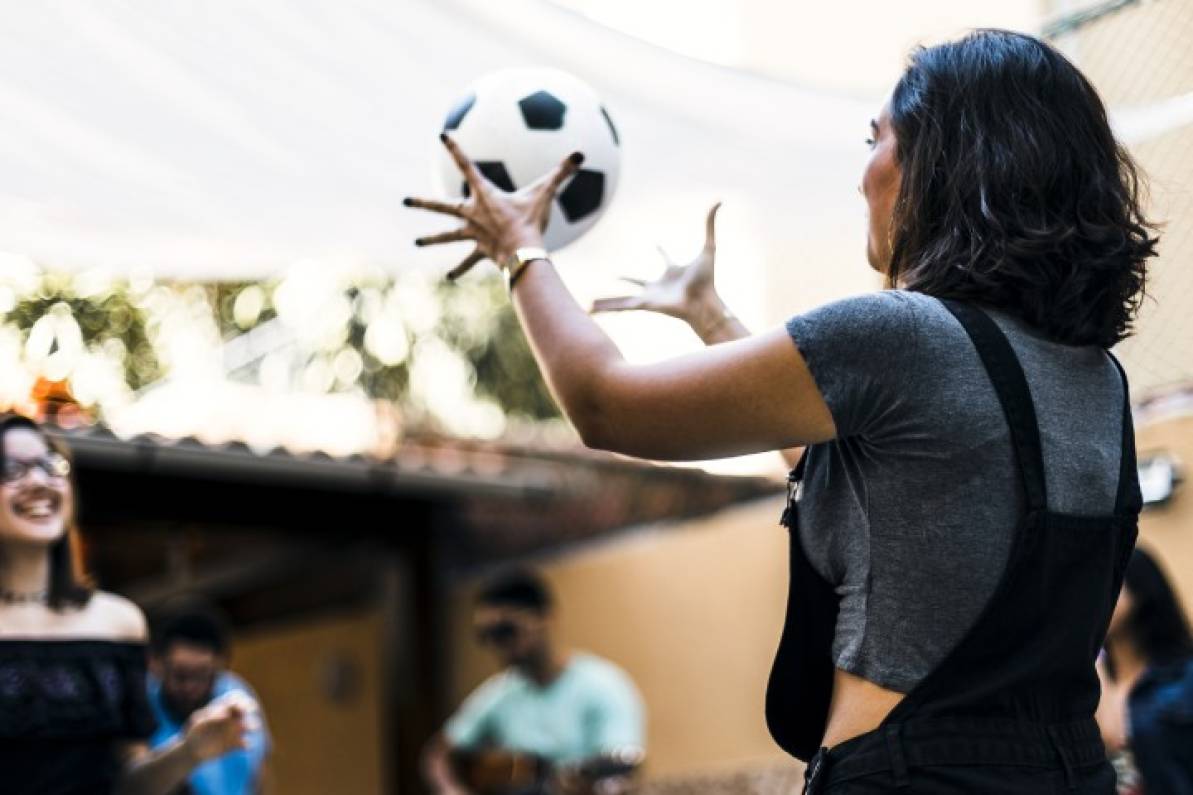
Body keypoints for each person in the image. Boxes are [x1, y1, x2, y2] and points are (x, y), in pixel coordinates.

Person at [406, 28, 1157, 793]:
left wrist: (521, 252)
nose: (861, 174)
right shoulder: (1095, 381)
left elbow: (606, 404)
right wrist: (712, 317)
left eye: (876, 139)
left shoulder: (902, 335)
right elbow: (865, 484)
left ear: (940, 163)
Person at [0, 413, 250, 795]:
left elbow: (129, 786)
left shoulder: (118, 623)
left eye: (50, 466)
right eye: (10, 469)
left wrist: (190, 750)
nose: (37, 482)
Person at [424, 569, 645, 795]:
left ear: (546, 618)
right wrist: (451, 790)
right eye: (485, 635)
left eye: (506, 630)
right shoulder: (500, 693)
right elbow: (439, 753)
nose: (495, 644)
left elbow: (619, 773)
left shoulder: (603, 685)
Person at [1096, 547, 1193, 793]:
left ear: (1142, 590)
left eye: (1107, 585)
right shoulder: (1089, 677)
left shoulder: (1184, 678)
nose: (1091, 600)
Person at [148, 607, 271, 795]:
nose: (190, 688)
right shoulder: (142, 704)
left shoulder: (238, 696)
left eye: (201, 676)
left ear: (219, 668)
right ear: (157, 665)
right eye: (180, 676)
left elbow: (259, 772)